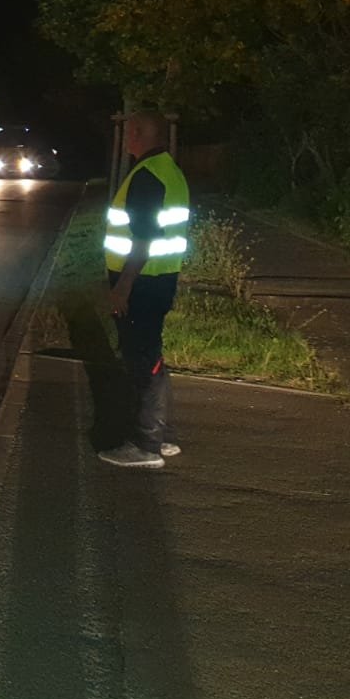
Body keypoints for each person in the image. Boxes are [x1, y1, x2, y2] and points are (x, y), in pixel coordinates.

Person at [98, 110, 191, 469]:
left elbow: (143, 237)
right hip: (160, 279)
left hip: (141, 283)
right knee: (151, 357)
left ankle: (145, 444)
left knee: (141, 360)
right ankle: (162, 435)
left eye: (128, 131)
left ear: (136, 132)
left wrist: (122, 287)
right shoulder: (170, 170)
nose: (126, 138)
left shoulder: (147, 174)